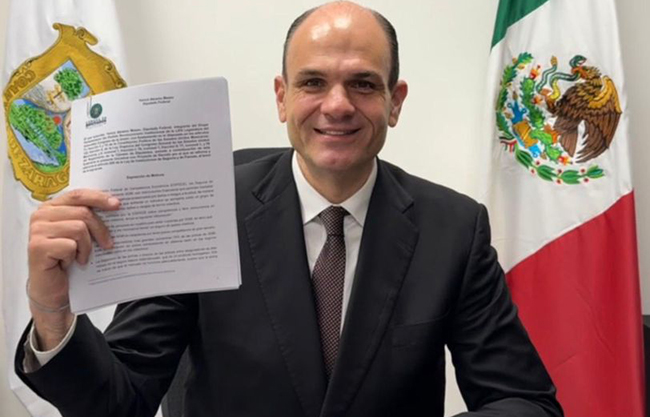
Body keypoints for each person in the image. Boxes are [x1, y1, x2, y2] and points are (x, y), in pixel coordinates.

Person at [16, 2, 563, 416]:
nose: (337, 105)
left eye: (363, 84)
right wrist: (52, 312)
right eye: (313, 82)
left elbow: (524, 401)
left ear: (394, 102)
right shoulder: (200, 205)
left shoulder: (454, 229)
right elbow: (120, 401)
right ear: (282, 97)